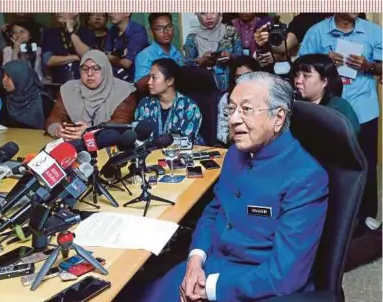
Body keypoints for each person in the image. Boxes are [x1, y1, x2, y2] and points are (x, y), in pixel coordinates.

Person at [140, 72, 328, 302]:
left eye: (246, 110)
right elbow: (214, 211)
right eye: (231, 109)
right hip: (211, 264)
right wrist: (195, 261)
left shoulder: (307, 177)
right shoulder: (233, 155)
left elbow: (285, 275)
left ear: (278, 118)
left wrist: (208, 288)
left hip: (257, 285)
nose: (233, 120)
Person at [298, 13, 382, 232]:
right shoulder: (316, 32)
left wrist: (370, 66)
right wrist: (323, 62)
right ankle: (330, 217)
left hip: (364, 109)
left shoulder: (373, 32)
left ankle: (366, 216)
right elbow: (301, 67)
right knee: (328, 165)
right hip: (327, 111)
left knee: (366, 164)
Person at [45, 50, 137, 140]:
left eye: (96, 69)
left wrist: (89, 132)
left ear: (105, 69)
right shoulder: (69, 89)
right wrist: (58, 130)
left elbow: (119, 126)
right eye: (84, 69)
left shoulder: (124, 91)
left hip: (109, 148)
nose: (89, 74)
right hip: (74, 145)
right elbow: (54, 119)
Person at [134, 58, 203, 143]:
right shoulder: (145, 104)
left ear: (169, 81)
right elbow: (139, 139)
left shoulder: (189, 107)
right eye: (149, 78)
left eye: (154, 78)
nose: (149, 82)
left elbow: (185, 142)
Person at [291, 54, 360, 136]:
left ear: (325, 81)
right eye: (296, 75)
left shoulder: (338, 108)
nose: (298, 81)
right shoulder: (294, 106)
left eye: (306, 76)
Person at [184, 13, 242, 92]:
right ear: (198, 15)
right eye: (203, 13)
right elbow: (186, 65)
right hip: (203, 89)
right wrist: (200, 61)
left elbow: (241, 58)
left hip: (230, 88)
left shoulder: (231, 32)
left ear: (219, 12)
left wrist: (230, 57)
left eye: (213, 12)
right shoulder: (192, 37)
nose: (209, 17)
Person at [217, 55, 261, 145]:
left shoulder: (265, 97)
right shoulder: (226, 99)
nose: (243, 81)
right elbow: (221, 136)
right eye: (238, 77)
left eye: (248, 76)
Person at [41, 13, 96, 84]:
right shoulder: (49, 33)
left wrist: (71, 32)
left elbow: (89, 56)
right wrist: (75, 57)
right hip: (58, 83)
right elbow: (48, 60)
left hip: (83, 82)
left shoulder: (87, 32)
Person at [134, 13, 184, 86]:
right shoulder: (145, 55)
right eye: (159, 28)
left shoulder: (176, 52)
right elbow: (140, 86)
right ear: (151, 32)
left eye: (169, 27)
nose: (166, 32)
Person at [1, 60, 46, 129]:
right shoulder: (6, 99)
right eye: (3, 76)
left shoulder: (43, 100)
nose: (4, 80)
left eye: (9, 76)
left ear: (21, 76)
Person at [105, 13, 149, 82]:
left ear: (127, 13)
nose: (110, 13)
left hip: (135, 79)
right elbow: (106, 54)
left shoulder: (137, 31)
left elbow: (127, 63)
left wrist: (111, 57)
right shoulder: (112, 30)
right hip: (116, 76)